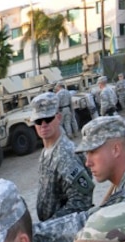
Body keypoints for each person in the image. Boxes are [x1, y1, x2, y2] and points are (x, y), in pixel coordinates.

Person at [30, 92, 94, 223]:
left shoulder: (66, 153)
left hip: (66, 233)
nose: (43, 124)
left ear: (58, 117)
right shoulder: (47, 151)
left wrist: (50, 226)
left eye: (48, 118)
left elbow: (82, 201)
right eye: (38, 120)